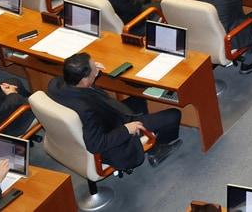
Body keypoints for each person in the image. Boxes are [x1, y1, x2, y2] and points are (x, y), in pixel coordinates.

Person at [49, 53, 182, 170]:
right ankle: (158, 150)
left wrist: (94, 74)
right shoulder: (86, 109)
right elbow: (96, 145)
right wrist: (126, 129)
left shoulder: (56, 84)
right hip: (114, 132)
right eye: (94, 68)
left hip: (105, 117)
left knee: (138, 99)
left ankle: (148, 139)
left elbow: (84, 90)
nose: (96, 67)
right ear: (84, 79)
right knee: (174, 114)